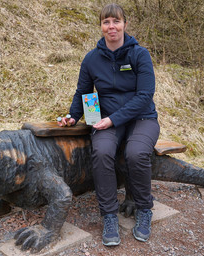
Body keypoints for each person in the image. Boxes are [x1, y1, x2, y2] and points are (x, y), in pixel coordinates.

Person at [58, 3, 160, 246]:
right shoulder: (92, 59)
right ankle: (109, 215)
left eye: (116, 21)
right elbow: (82, 92)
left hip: (141, 118)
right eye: (106, 22)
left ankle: (144, 209)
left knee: (136, 153)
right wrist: (73, 116)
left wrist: (114, 118)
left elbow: (145, 95)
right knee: (102, 152)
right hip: (105, 121)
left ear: (124, 24)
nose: (111, 26)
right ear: (101, 26)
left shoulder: (139, 54)